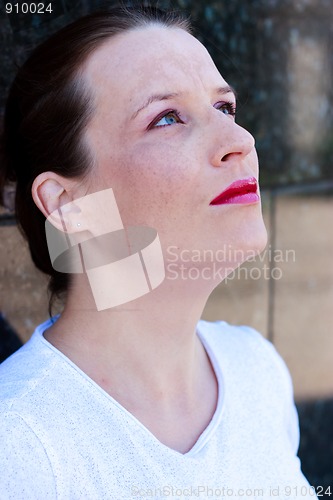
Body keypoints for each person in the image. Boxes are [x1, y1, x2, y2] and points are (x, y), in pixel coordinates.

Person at [0, 4, 316, 499]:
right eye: (166, 118)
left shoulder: (255, 370)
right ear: (66, 204)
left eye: (224, 108)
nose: (239, 140)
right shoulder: (20, 448)